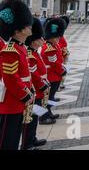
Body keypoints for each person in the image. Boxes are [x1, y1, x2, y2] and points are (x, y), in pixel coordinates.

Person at [0, 0, 34, 150]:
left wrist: (30, 90)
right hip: (12, 102)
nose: (29, 27)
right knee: (8, 140)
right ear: (17, 30)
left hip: (20, 99)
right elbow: (10, 79)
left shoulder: (21, 48)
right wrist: (25, 95)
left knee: (15, 138)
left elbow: (25, 76)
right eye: (26, 25)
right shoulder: (10, 50)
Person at [22, 18, 51, 150]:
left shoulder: (34, 53)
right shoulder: (31, 55)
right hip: (36, 90)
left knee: (34, 120)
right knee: (30, 120)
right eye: (40, 39)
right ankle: (27, 143)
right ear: (33, 41)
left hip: (40, 90)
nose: (43, 41)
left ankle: (32, 138)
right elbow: (33, 75)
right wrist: (42, 84)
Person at [40, 18, 67, 124]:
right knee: (47, 98)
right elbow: (55, 64)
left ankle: (49, 112)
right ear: (50, 37)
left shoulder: (53, 45)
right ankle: (43, 117)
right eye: (56, 37)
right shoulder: (49, 48)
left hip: (55, 75)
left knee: (51, 97)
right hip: (52, 76)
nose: (58, 39)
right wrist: (62, 71)